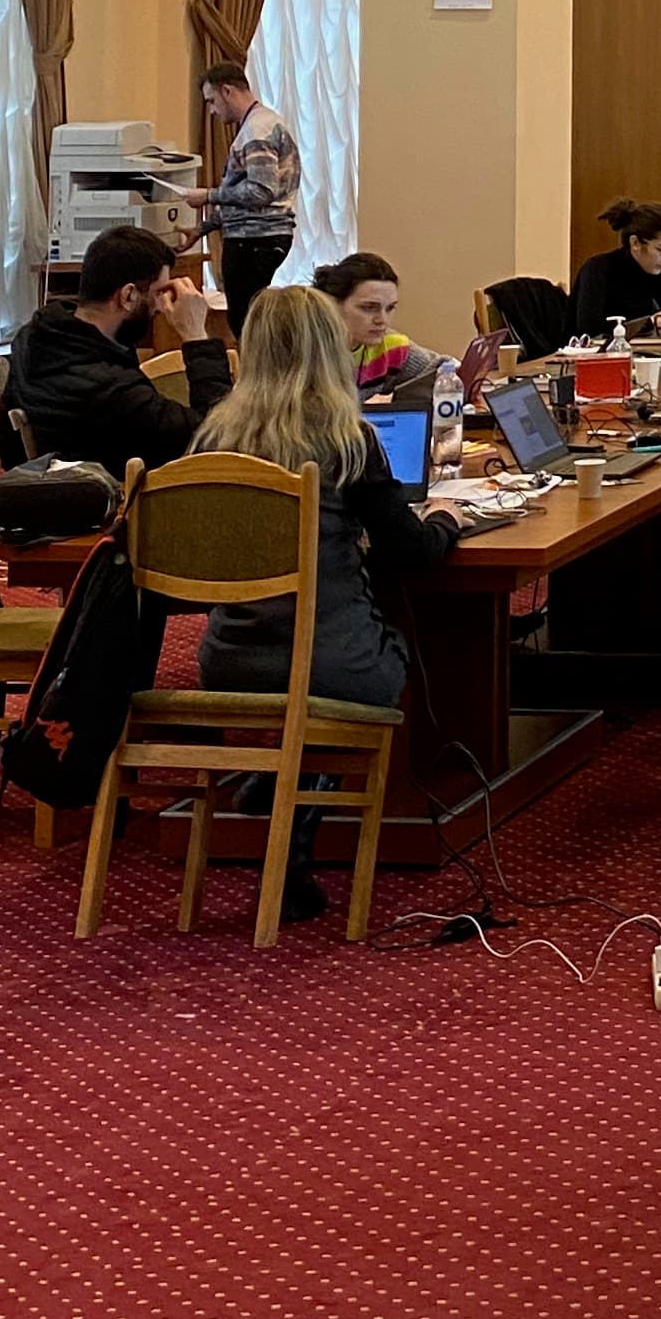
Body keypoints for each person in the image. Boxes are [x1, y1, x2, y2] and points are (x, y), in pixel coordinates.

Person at [193, 283, 456, 922]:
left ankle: (268, 782)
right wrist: (446, 520)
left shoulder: (209, 442)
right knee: (390, 654)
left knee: (330, 661)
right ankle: (295, 846)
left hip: (227, 660)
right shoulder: (346, 438)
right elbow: (411, 551)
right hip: (329, 663)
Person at [6, 224, 212, 478]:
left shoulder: (32, 342)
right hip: (118, 507)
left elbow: (5, 437)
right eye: (158, 292)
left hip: (48, 497)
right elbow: (214, 440)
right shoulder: (114, 390)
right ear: (128, 296)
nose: (160, 307)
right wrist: (196, 336)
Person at [201, 64, 301, 314]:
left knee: (243, 321)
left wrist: (207, 195)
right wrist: (203, 229)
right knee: (246, 317)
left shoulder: (257, 131)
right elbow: (245, 194)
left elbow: (260, 192)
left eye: (212, 101)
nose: (212, 110)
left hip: (254, 239)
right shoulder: (261, 124)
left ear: (227, 91)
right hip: (259, 237)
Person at [313, 252, 445, 404]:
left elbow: (447, 371)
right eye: (369, 307)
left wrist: (397, 398)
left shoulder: (389, 346)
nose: (382, 320)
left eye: (389, 308)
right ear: (333, 304)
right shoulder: (306, 351)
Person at [572, 201, 661, 337]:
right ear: (635, 243)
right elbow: (589, 328)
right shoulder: (597, 269)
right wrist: (649, 323)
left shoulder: (655, 269)